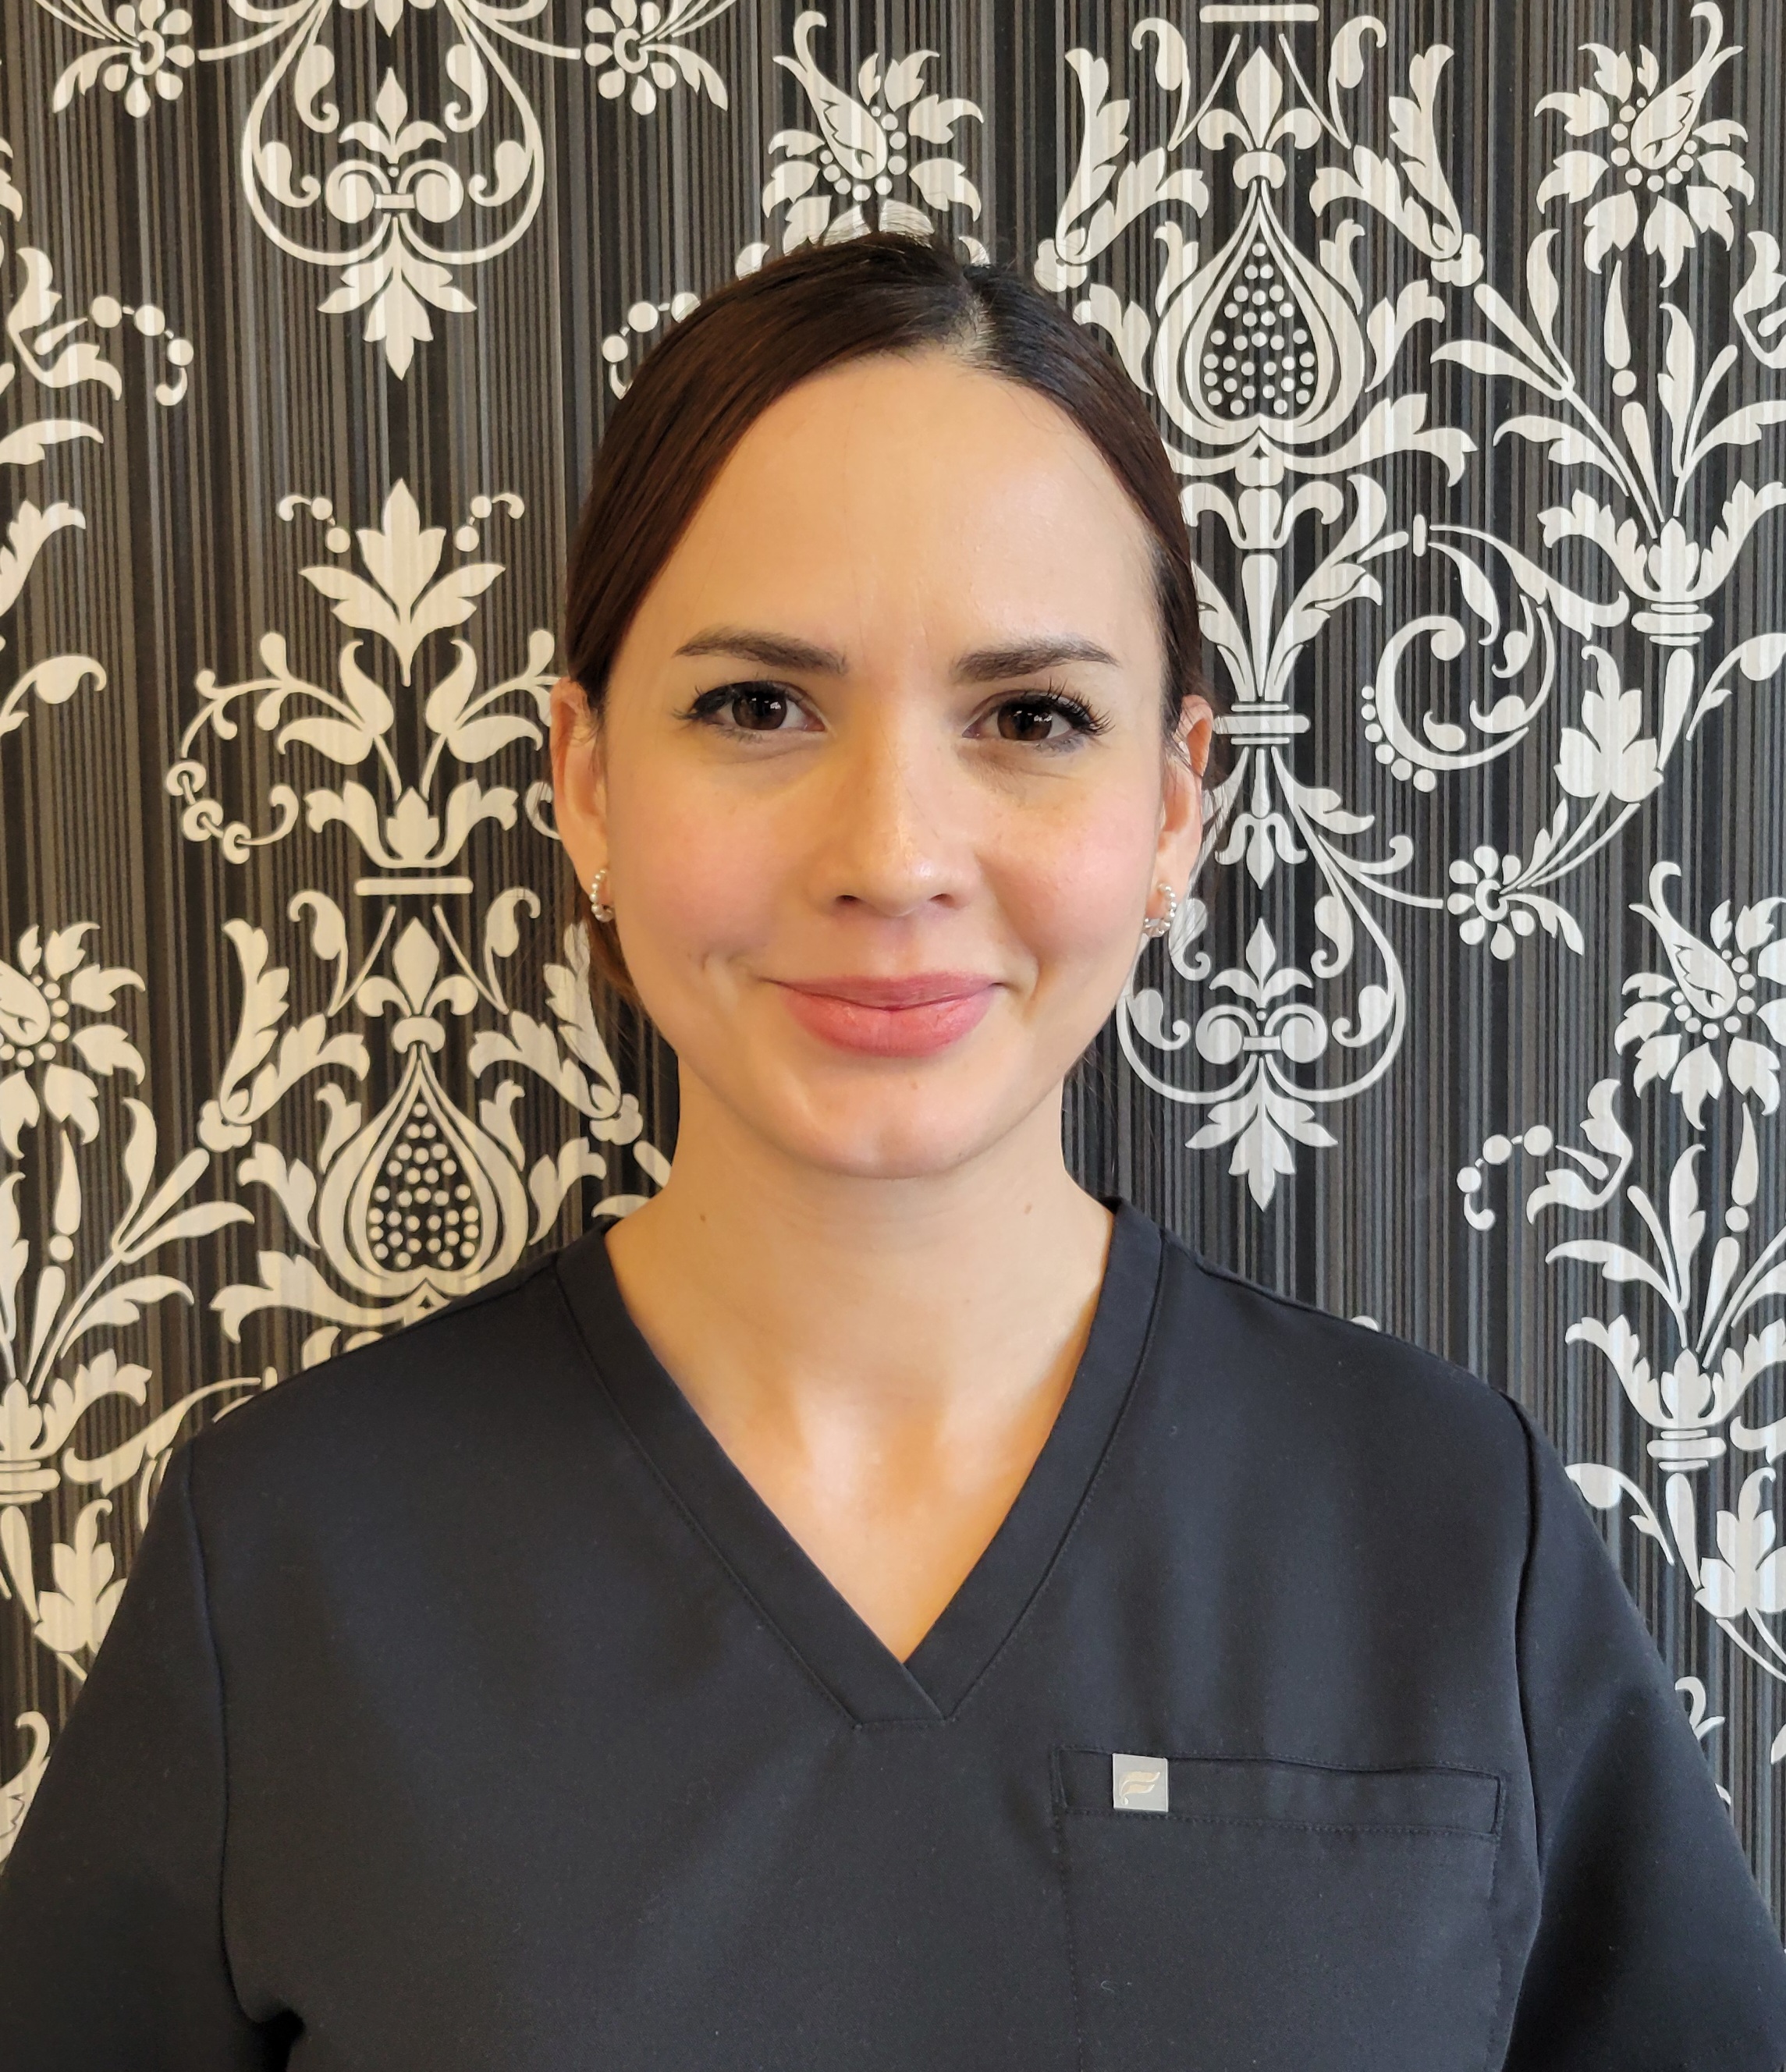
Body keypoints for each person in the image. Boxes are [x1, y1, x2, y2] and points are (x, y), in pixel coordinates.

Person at [1, 229, 1783, 2072]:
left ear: (1171, 805)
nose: (893, 854)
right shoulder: (288, 1563)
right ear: (586, 781)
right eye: (757, 705)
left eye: (1029, 718)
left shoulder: (1447, 1527)